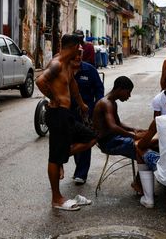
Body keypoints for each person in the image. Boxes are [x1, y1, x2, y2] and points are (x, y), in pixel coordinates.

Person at [35, 34, 97, 211]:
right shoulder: (57, 63)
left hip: (67, 113)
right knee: (54, 158)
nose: (81, 51)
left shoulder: (68, 65)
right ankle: (56, 198)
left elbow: (73, 85)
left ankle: (63, 155)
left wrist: (82, 104)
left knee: (91, 137)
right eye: (80, 48)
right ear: (75, 46)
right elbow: (40, 80)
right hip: (57, 114)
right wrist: (54, 98)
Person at [92, 76, 145, 162]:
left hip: (113, 138)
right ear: (120, 89)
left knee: (144, 145)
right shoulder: (106, 103)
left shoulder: (112, 103)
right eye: (128, 92)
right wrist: (133, 135)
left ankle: (143, 172)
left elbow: (118, 123)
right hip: (107, 143)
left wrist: (134, 129)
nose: (129, 96)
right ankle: (143, 173)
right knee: (141, 145)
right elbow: (113, 126)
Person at [70, 58, 105, 185]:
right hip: (68, 112)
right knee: (73, 141)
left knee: (86, 139)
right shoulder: (64, 69)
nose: (78, 57)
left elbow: (99, 90)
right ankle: (78, 166)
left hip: (86, 113)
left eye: (80, 53)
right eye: (76, 53)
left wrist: (97, 109)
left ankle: (81, 173)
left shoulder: (90, 70)